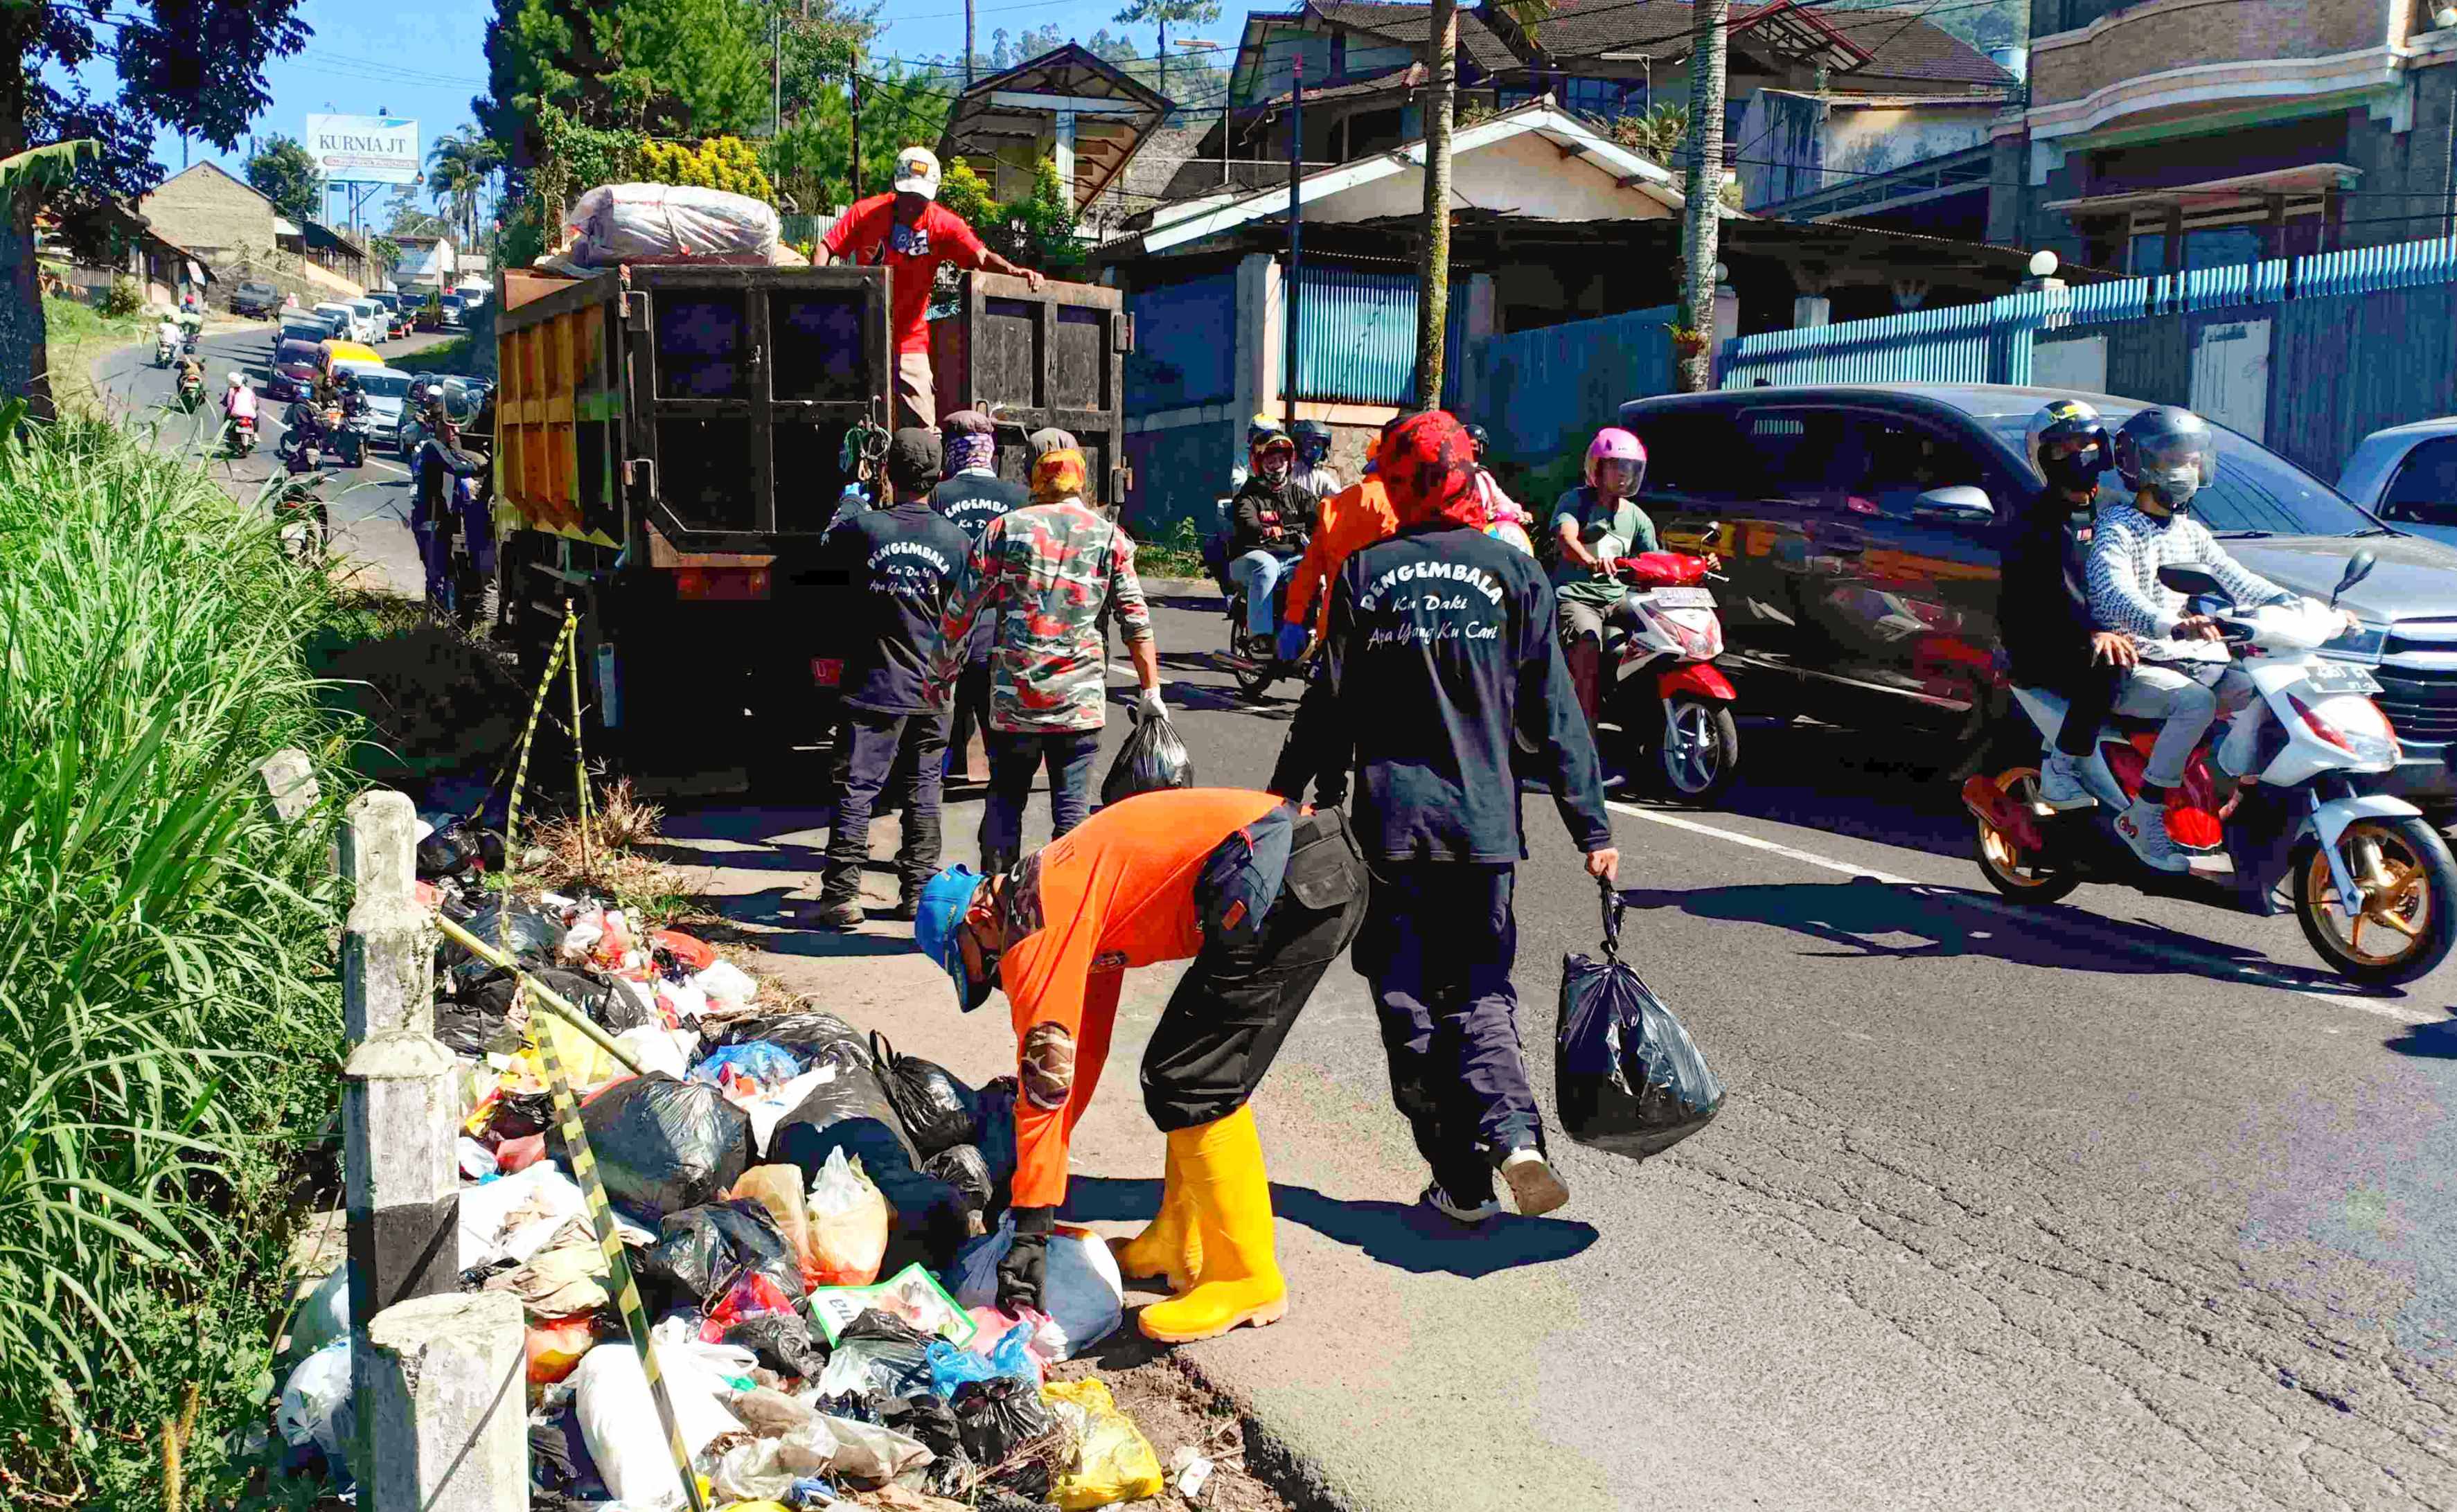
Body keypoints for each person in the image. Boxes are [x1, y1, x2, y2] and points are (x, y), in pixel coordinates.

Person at [1276, 409, 1617, 1224]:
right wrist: (1592, 828)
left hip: (1391, 829)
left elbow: (1329, 704)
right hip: (1483, 829)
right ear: (1470, 474)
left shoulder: (1365, 572)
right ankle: (1515, 1134)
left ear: (1396, 480)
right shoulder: (1516, 572)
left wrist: (1288, 795)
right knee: (1479, 988)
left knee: (1405, 995)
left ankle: (1460, 1180)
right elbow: (1557, 715)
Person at [911, 787, 1368, 1341]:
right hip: (1291, 871)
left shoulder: (1035, 923)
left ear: (979, 915)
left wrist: (1032, 1223)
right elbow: (1081, 1054)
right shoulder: (1063, 901)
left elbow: (1045, 1081)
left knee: (1194, 1076)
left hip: (1292, 875)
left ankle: (1245, 1275)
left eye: (980, 964)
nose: (997, 976)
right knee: (1177, 1072)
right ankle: (1178, 1240)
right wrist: (1027, 1176)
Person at [2086, 406, 2336, 871]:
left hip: (2192, 660)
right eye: (2170, 459)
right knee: (2195, 704)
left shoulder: (2191, 532)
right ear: (2138, 466)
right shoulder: (2117, 527)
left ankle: (2232, 793)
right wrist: (2169, 622)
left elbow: (2240, 581)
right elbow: (2113, 595)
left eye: (2191, 458)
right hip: (2136, 664)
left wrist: (2308, 607)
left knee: (2264, 692)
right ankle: (2144, 813)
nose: (2185, 469)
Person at [928, 446, 1166, 875]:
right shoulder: (1109, 536)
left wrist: (941, 675)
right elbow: (1137, 622)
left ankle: (997, 904)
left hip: (1014, 700)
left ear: (1036, 485)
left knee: (1005, 801)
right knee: (1071, 812)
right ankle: (1062, 910)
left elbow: (961, 612)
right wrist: (1151, 690)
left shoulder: (1004, 530)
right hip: (1078, 705)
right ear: (1081, 483)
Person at [814, 429, 976, 928]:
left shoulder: (864, 530)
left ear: (889, 474)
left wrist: (848, 499)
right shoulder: (958, 540)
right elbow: (967, 615)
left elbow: (827, 546)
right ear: (938, 478)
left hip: (873, 683)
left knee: (857, 788)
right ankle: (917, 895)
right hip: (933, 688)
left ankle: (842, 896)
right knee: (923, 790)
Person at [818, 145, 1047, 428]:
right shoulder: (866, 213)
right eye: (907, 196)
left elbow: (981, 257)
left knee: (924, 429)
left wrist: (1013, 270)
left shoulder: (944, 225)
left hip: (909, 339)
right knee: (844, 419)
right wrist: (820, 288)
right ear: (895, 187)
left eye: (920, 198)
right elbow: (827, 247)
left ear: (933, 193)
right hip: (858, 334)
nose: (913, 204)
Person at [2002, 400, 2129, 811]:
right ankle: (2063, 769)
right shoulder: (2034, 522)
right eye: (2064, 448)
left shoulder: (2114, 508)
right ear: (2045, 458)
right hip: (2047, 642)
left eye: (2086, 443)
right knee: (2110, 663)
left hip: (2100, 630)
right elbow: (2055, 596)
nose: (2078, 455)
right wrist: (2096, 632)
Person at [932, 409, 1029, 784]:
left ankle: (935, 778)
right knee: (997, 719)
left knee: (945, 714)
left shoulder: (940, 494)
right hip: (1002, 628)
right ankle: (1003, 784)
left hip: (951, 625)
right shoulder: (1019, 496)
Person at [1552, 427, 1660, 729]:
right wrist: (1589, 561)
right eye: (1617, 467)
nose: (1625, 475)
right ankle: (1587, 743)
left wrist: (1698, 562)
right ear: (1598, 468)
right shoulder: (1575, 501)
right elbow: (1565, 537)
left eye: (1631, 468)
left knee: (1665, 630)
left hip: (1617, 596)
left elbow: (1653, 558)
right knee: (1587, 652)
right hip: (1577, 595)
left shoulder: (1637, 516)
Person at [1225, 427, 1319, 655]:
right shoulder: (1249, 494)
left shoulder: (1300, 495)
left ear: (1290, 461)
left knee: (1315, 570)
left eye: (1281, 459)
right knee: (1266, 566)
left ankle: (1310, 630)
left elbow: (1320, 514)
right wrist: (1263, 529)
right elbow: (1246, 520)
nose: (1277, 465)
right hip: (1251, 558)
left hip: (1291, 558)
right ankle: (1260, 637)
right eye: (1271, 460)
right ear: (1259, 463)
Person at [1464, 423, 1534, 554]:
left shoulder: (1483, 476)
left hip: (1485, 534)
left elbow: (1500, 498)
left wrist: (1518, 512)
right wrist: (1480, 516)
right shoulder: (1452, 474)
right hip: (1462, 535)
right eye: (1469, 444)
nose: (1474, 448)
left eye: (1477, 445)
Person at [1292, 419, 1341, 500]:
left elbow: (1340, 499)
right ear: (1298, 445)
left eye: (1318, 444)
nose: (1314, 448)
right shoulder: (1287, 474)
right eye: (1310, 443)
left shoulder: (1321, 478)